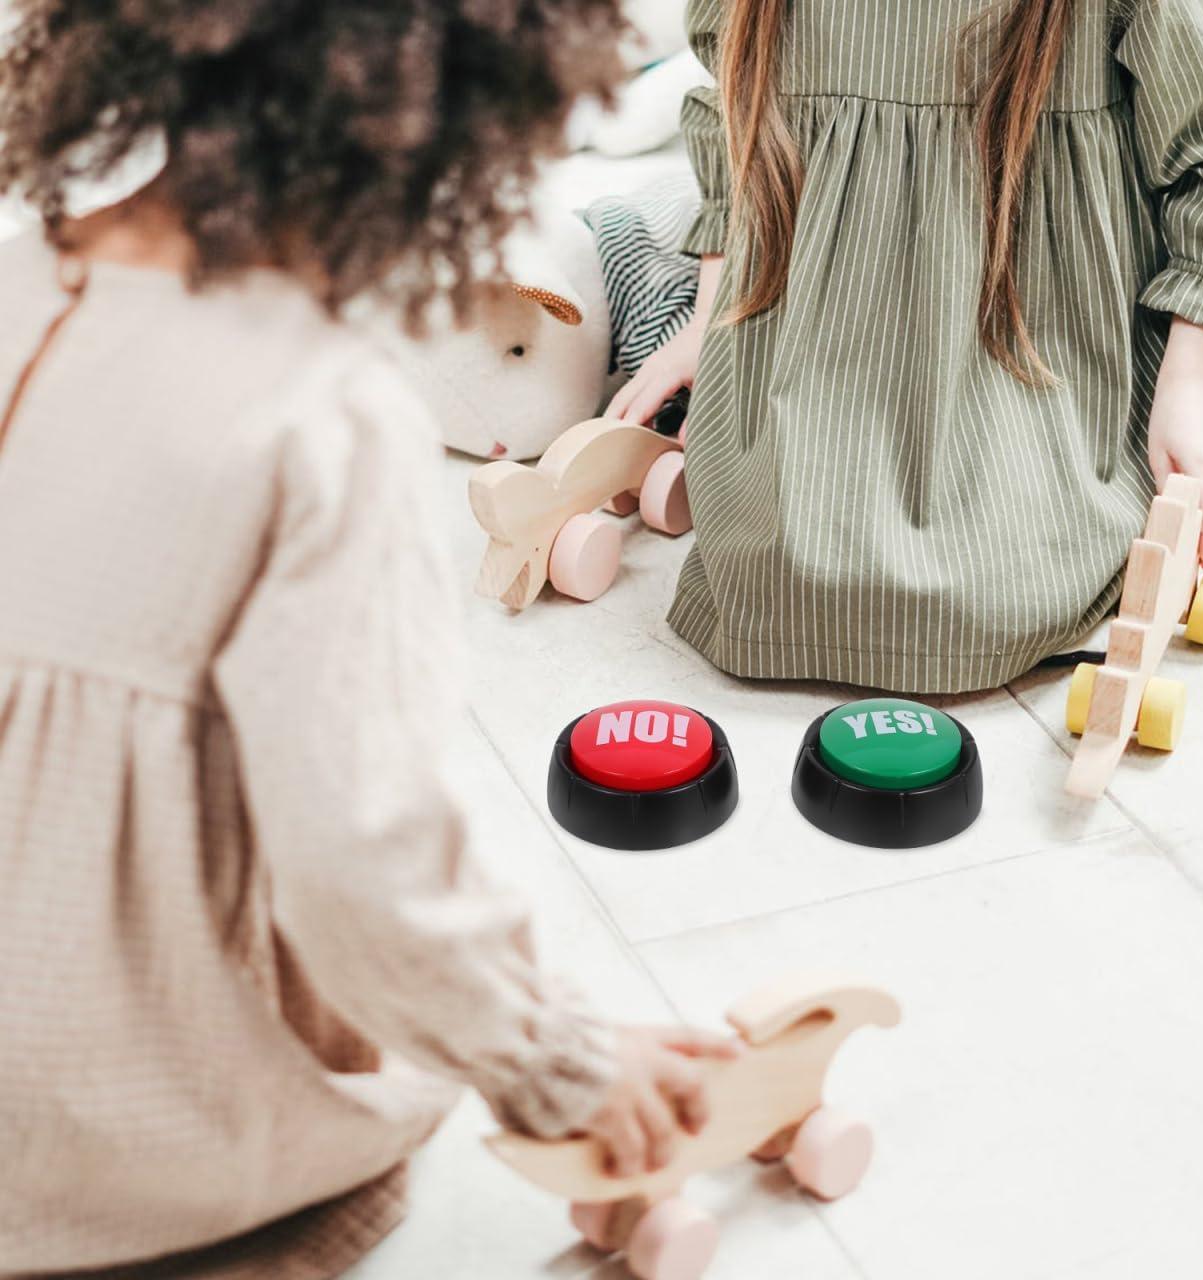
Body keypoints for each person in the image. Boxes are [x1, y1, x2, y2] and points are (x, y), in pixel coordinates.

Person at [0, 3, 734, 1276]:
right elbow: (358, 859)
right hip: (72, 1126)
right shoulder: (318, 421)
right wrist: (557, 1058)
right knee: (353, 1084)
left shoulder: (20, 280)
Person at [609, 0, 1203, 694]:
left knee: (991, 593)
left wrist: (1192, 384)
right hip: (817, 365)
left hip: (1032, 362)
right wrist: (706, 321)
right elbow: (733, 126)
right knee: (777, 573)